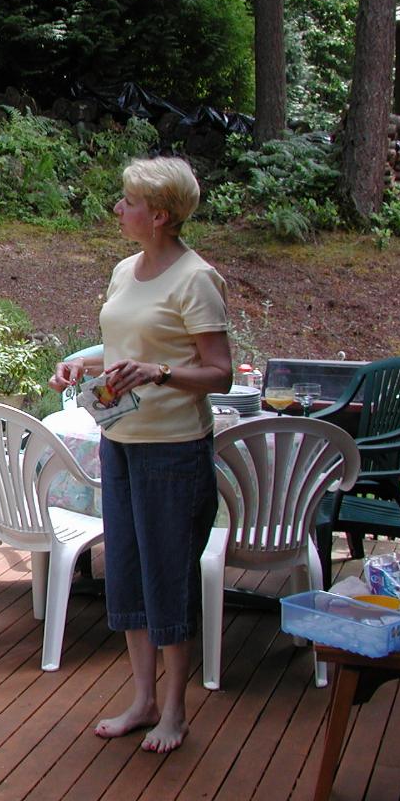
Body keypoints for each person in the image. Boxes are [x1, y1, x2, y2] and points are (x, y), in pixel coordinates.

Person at [50, 157, 231, 754]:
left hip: (174, 452)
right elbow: (124, 343)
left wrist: (159, 372)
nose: (117, 209)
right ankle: (142, 700)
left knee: (168, 576)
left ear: (159, 214)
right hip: (120, 444)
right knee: (126, 570)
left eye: (127, 201)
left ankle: (175, 710)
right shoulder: (125, 269)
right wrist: (86, 362)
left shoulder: (196, 278)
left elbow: (220, 372)